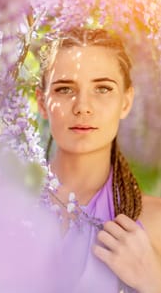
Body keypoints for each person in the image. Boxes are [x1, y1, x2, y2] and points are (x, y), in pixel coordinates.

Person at [35, 28, 161, 292]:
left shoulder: (154, 221)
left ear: (126, 102)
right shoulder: (1, 205)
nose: (83, 106)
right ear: (42, 102)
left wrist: (154, 282)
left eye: (102, 88)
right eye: (65, 88)